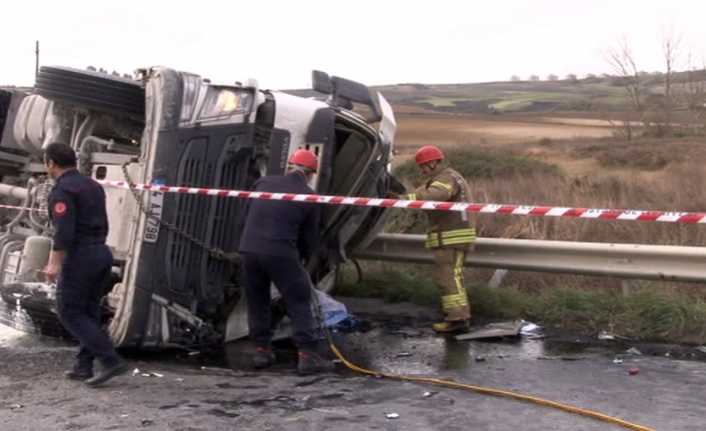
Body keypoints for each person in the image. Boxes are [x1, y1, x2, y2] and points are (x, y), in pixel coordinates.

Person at [238, 149, 333, 374]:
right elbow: (309, 240)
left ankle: (261, 351)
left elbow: (246, 216)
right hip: (280, 252)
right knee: (299, 298)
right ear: (311, 174)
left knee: (257, 300)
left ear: (289, 166)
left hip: (249, 249)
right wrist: (305, 261)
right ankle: (308, 355)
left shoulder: (262, 183)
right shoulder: (308, 196)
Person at [42, 143, 127, 386]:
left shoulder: (62, 191)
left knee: (69, 311)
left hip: (81, 257)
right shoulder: (93, 185)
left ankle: (111, 360)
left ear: (51, 163)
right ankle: (83, 366)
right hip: (101, 252)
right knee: (89, 311)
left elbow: (64, 232)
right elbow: (105, 222)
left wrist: (54, 264)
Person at [403, 145, 475, 333]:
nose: (423, 170)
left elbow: (436, 195)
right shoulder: (450, 176)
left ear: (435, 162)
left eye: (424, 166)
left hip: (450, 236)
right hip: (454, 235)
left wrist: (406, 198)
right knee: (452, 277)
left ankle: (457, 319)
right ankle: (458, 317)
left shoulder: (446, 178)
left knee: (449, 278)